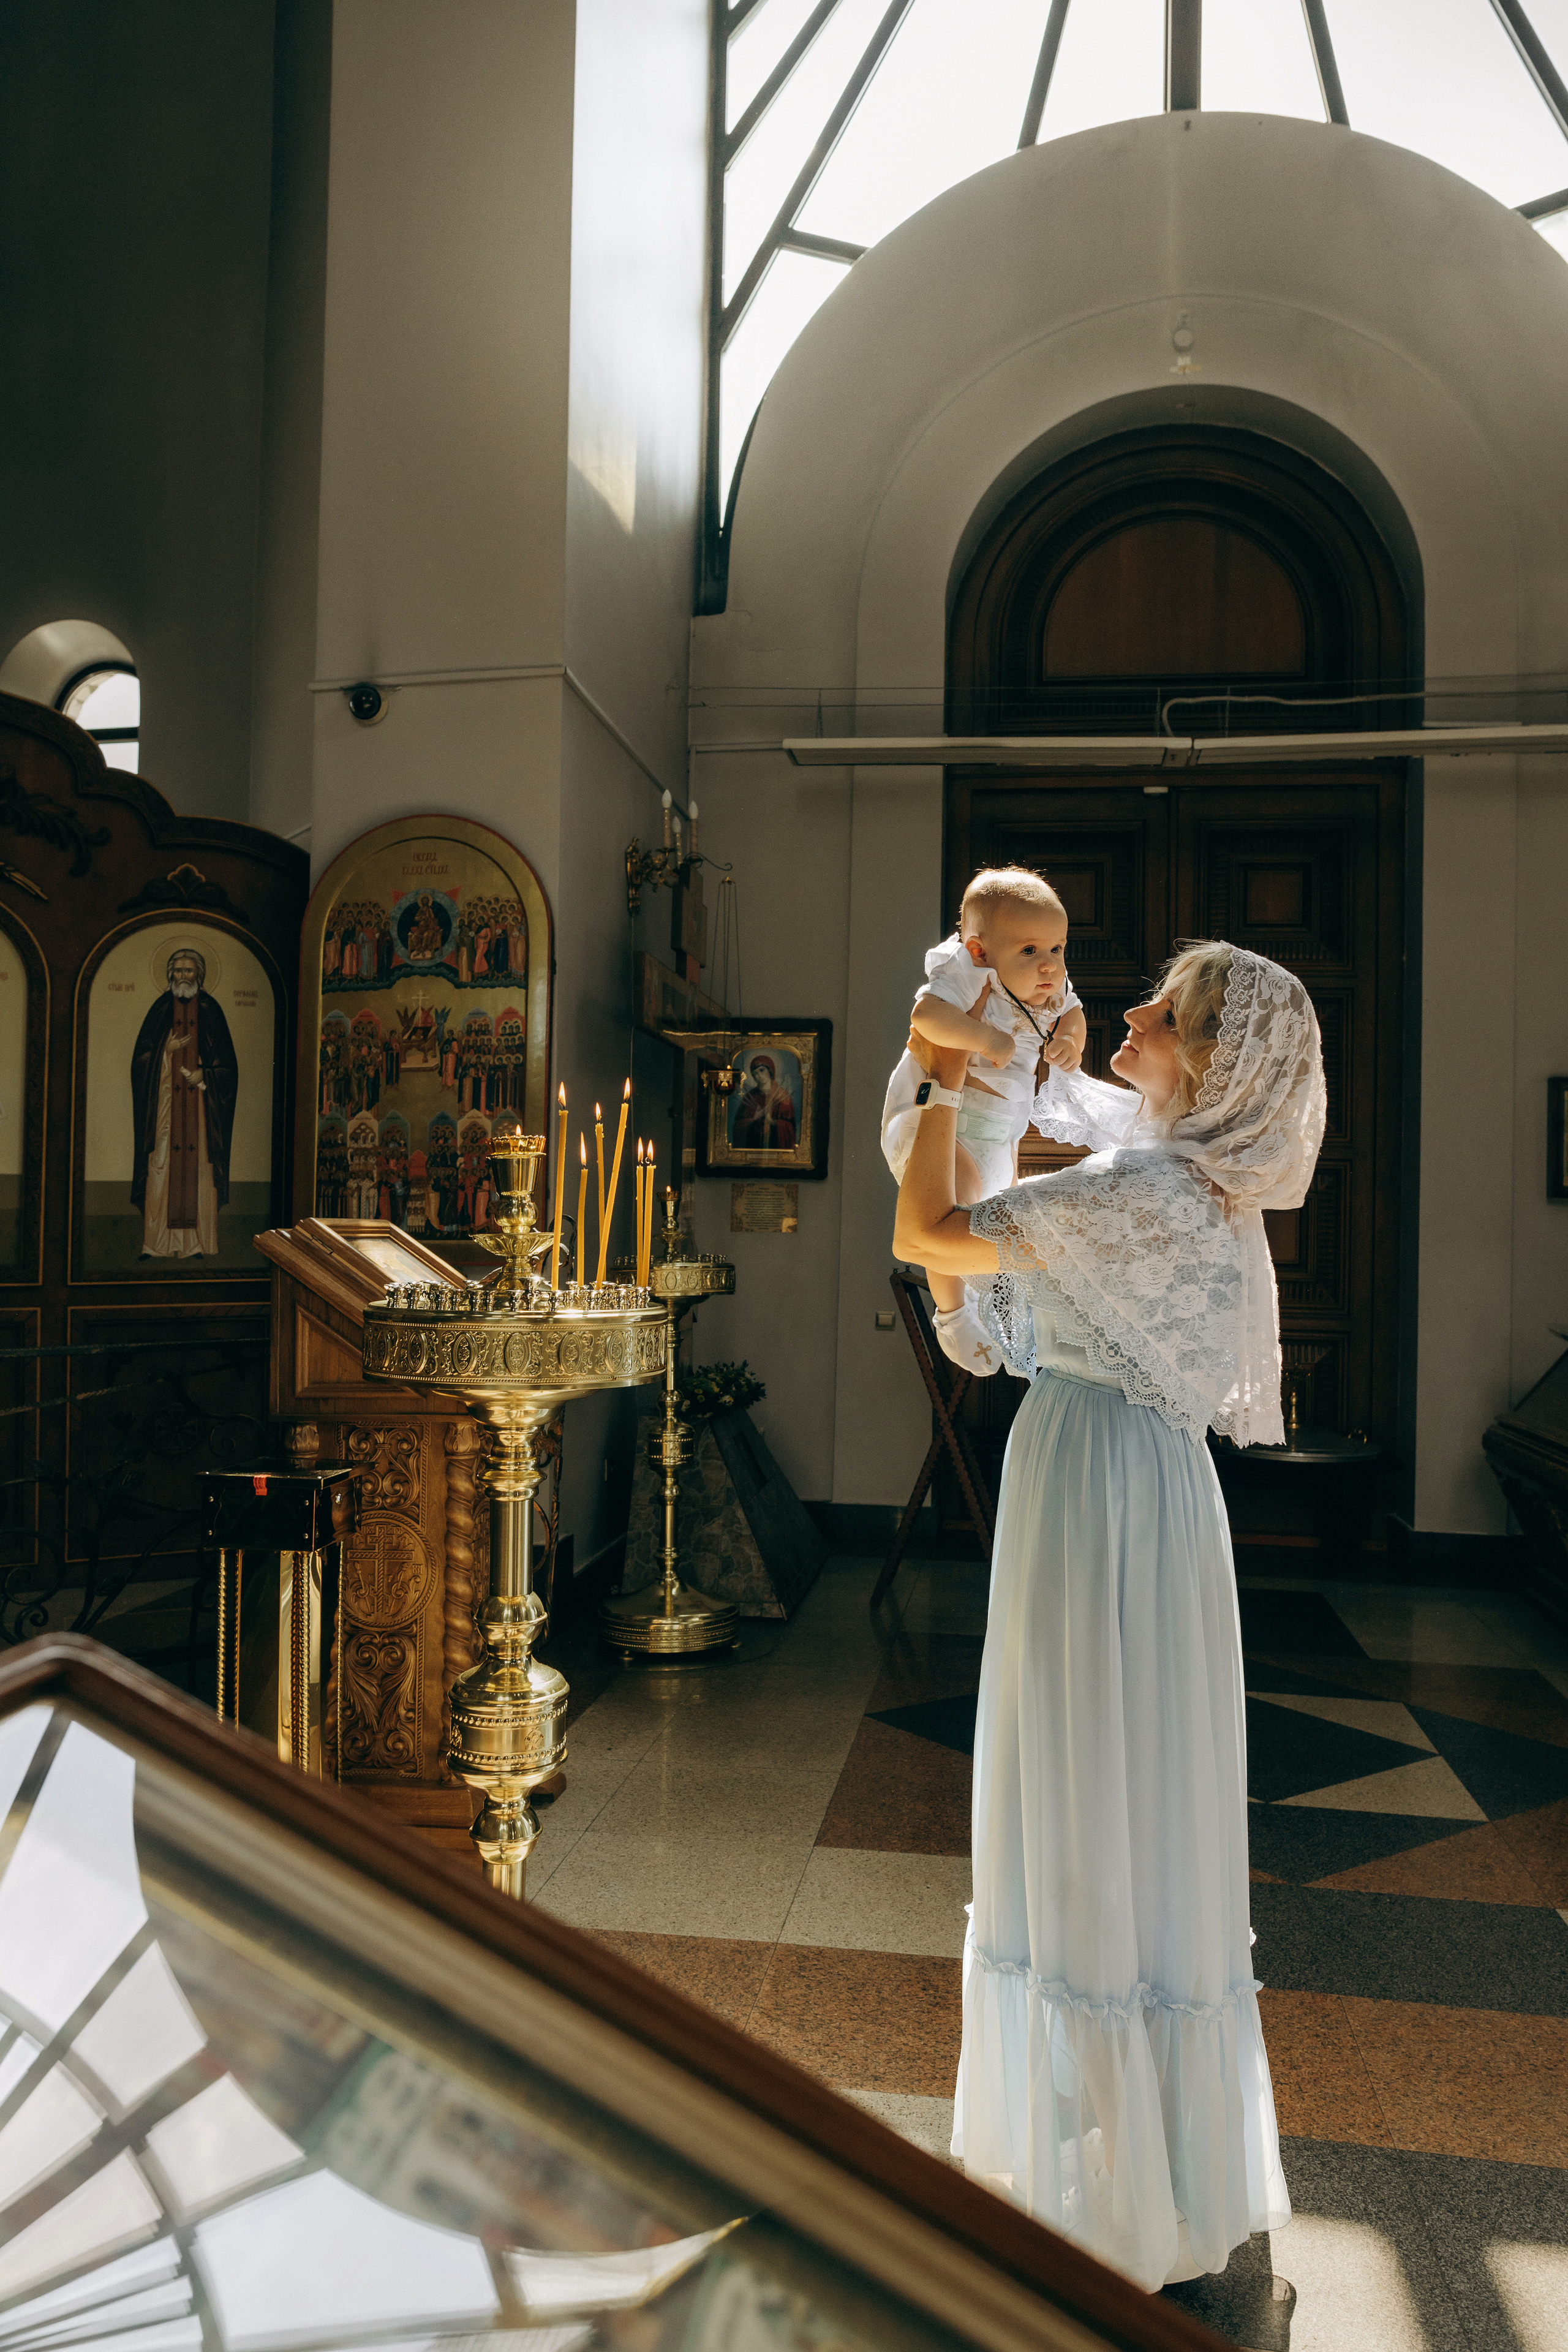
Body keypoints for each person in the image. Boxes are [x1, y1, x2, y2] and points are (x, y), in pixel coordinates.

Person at [894, 941, 1324, 2295]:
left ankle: (1110, 2186)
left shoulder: (1144, 1184)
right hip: (1134, 1484)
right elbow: (991, 1327)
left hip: (1093, 1493)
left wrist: (946, 1086)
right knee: (1132, 1802)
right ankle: (1143, 2162)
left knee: (1080, 1801)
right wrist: (1019, 1091)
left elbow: (925, 1238)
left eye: (1166, 1013)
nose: (1130, 1012)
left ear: (1211, 1064)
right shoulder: (1183, 1184)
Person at [883, 867, 1086, 1371]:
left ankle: (984, 1306)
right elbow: (926, 1019)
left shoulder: (1050, 986)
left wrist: (1068, 1044)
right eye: (1030, 951)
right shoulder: (967, 974)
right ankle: (952, 1315)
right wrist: (985, 1040)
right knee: (949, 1216)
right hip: (938, 1124)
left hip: (999, 1133)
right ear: (979, 951)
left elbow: (1074, 1015)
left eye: (1058, 949)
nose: (1049, 966)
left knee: (985, 1226)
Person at [130, 948, 239, 1259]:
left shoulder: (212, 1010)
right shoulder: (160, 1009)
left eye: (189, 971)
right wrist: (165, 1050)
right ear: (169, 975)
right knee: (161, 1164)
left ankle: (196, 1244)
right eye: (177, 971)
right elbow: (140, 1062)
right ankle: (155, 1244)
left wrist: (204, 1075)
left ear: (200, 976)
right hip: (165, 1105)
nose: (182, 977)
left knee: (199, 1172)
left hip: (201, 1111)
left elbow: (228, 1067)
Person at [731, 1054, 797, 1150]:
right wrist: (753, 1119)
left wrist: (772, 1122)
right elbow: (738, 1126)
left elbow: (790, 1127)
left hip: (775, 1145)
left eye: (762, 1070)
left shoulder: (782, 1095)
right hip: (753, 1146)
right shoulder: (750, 1096)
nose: (759, 1076)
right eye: (756, 1073)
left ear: (770, 1070)